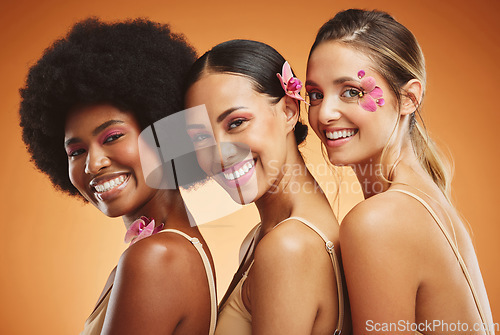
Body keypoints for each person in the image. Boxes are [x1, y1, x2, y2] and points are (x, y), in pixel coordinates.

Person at [19, 18, 216, 335]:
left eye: (111, 137)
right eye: (76, 151)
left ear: (162, 130)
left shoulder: (155, 258)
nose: (92, 164)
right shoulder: (175, 245)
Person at [306, 9, 494, 335]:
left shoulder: (380, 221)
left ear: (409, 98)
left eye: (351, 91)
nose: (325, 113)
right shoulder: (423, 198)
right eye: (316, 95)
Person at [184, 39, 348, 335]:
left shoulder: (288, 247)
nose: (218, 154)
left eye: (236, 123)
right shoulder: (262, 238)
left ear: (288, 111)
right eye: (200, 138)